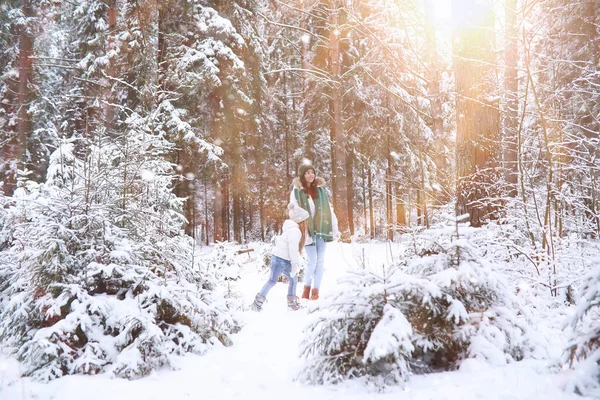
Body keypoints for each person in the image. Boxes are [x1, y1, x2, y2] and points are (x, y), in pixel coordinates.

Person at [290, 161, 339, 301]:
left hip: (321, 229)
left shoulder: (321, 191)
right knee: (313, 260)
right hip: (307, 231)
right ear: (302, 175)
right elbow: (294, 211)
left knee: (320, 261)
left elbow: (329, 211)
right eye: (307, 173)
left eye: (312, 172)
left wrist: (335, 229)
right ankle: (306, 289)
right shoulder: (297, 192)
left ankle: (315, 291)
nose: (310, 175)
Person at [250, 203, 309, 311]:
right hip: (279, 260)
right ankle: (256, 304)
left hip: (285, 261)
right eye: (306, 220)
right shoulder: (295, 231)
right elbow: (293, 249)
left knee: (293, 280)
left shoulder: (293, 230)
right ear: (301, 221)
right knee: (272, 281)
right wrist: (295, 265)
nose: (307, 223)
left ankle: (292, 304)